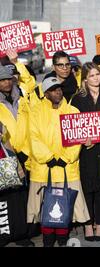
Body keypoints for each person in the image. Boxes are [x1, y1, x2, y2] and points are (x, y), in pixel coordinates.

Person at [28, 77, 90, 247]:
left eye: (59, 89)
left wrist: (65, 157)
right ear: (45, 93)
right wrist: (49, 157)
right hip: (43, 168)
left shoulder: (73, 110)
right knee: (45, 205)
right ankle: (47, 240)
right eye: (53, 89)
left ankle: (62, 240)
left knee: (66, 204)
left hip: (67, 167)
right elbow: (33, 138)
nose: (58, 92)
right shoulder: (35, 111)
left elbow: (76, 138)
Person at [70, 62, 100, 242]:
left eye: (98, 75)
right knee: (87, 187)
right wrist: (82, 138)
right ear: (85, 78)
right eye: (92, 75)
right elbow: (72, 124)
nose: (95, 78)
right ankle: (88, 223)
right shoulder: (78, 98)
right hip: (86, 150)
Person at [0, 65, 34, 247]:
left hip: (26, 155)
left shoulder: (22, 98)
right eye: (2, 80)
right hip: (6, 156)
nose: (6, 83)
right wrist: (11, 152)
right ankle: (5, 233)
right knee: (6, 196)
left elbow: (30, 81)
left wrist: (16, 62)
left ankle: (22, 233)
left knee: (23, 196)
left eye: (8, 79)